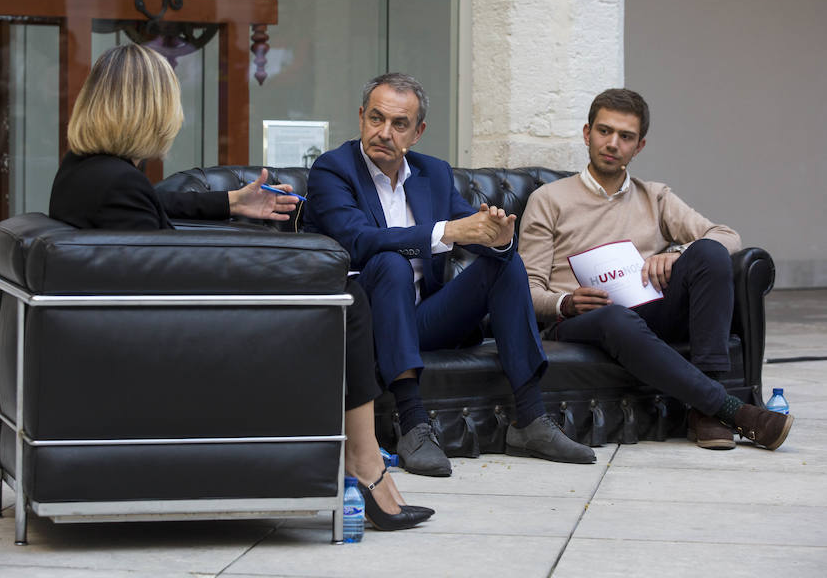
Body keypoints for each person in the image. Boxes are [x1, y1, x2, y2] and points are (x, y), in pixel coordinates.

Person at [49, 44, 431, 530]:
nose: (178, 115)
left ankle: (363, 459)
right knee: (347, 295)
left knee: (342, 290)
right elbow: (176, 265)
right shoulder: (120, 185)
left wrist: (230, 202)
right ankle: (364, 463)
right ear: (147, 110)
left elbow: (154, 212)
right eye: (171, 102)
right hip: (180, 341)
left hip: (134, 334)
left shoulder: (88, 172)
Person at [304, 73, 596, 477]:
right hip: (366, 325)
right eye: (376, 118)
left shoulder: (434, 174)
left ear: (418, 132)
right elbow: (357, 240)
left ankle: (530, 418)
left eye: (399, 124)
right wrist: (446, 232)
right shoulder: (333, 169)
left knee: (504, 261)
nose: (384, 132)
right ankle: (412, 424)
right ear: (360, 117)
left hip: (426, 320)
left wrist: (497, 236)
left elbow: (471, 228)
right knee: (390, 261)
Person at [518, 88, 793, 451]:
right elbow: (528, 289)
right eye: (604, 131)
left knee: (708, 252)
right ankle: (733, 410)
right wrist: (565, 302)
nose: (613, 143)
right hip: (580, 319)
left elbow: (727, 237)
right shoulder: (549, 200)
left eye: (626, 136)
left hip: (650, 308)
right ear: (587, 134)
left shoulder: (656, 196)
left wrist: (678, 253)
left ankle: (705, 410)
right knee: (616, 318)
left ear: (639, 146)